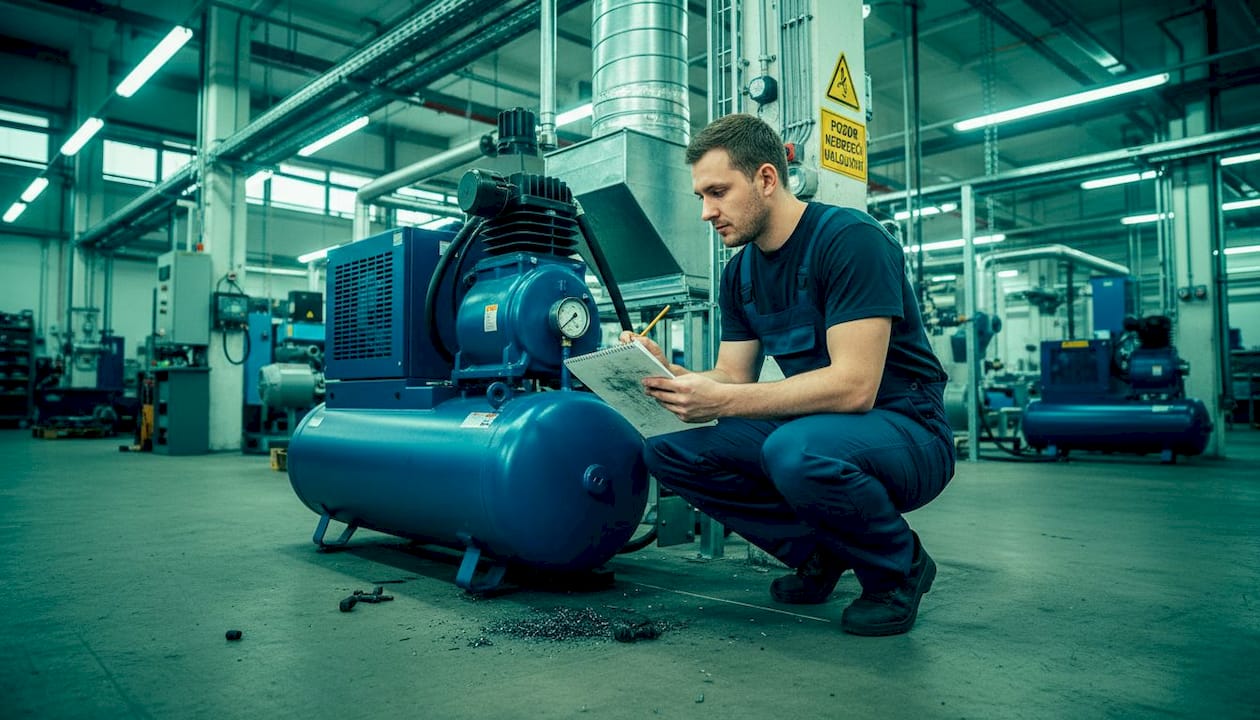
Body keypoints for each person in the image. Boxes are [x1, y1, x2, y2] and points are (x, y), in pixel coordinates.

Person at [619, 114, 954, 636]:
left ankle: (899, 568)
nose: (707, 212)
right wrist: (670, 373)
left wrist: (722, 402)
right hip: (817, 425)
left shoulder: (850, 241)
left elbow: (854, 387)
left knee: (794, 451)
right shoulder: (741, 274)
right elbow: (732, 374)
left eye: (718, 192)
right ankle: (822, 549)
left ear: (767, 179)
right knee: (669, 447)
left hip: (909, 429)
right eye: (701, 197)